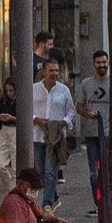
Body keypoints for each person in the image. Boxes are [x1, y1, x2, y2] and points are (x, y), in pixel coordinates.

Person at [32, 58, 76, 207]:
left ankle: (47, 204)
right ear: (44, 72)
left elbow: (71, 110)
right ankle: (54, 196)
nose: (54, 74)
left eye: (57, 70)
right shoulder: (34, 89)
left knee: (51, 171)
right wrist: (36, 119)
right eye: (51, 70)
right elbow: (26, 109)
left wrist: (63, 122)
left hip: (55, 139)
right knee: (40, 171)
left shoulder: (64, 90)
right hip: (37, 136)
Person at [76, 49, 112, 212]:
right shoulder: (86, 84)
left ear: (108, 63)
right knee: (94, 173)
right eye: (98, 62)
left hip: (109, 134)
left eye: (104, 62)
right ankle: (99, 204)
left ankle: (111, 200)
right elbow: (79, 107)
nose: (101, 65)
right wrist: (87, 113)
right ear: (93, 64)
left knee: (108, 170)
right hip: (91, 135)